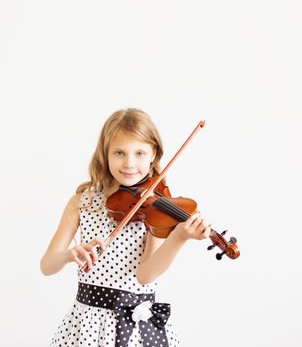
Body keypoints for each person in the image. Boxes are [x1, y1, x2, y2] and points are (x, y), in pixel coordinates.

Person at [40, 108, 212, 347]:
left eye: (139, 153)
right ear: (105, 154)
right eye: (119, 153)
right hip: (87, 325)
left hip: (136, 328)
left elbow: (145, 275)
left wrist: (179, 237)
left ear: (153, 154)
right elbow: (47, 266)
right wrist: (69, 255)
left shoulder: (156, 207)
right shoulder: (83, 202)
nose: (129, 163)